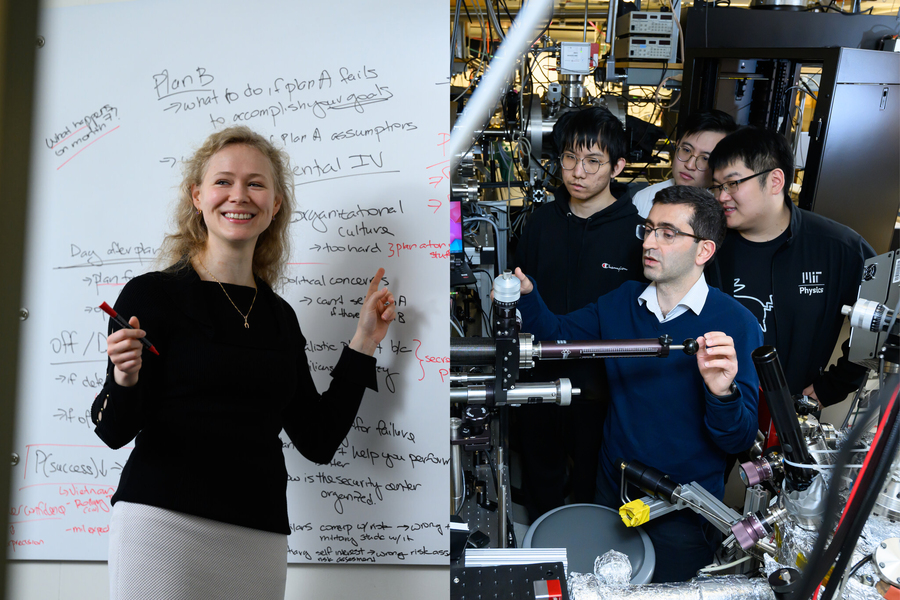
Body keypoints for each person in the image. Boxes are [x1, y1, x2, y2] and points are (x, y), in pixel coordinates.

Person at [91, 126, 396, 599]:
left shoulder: (279, 317)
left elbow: (317, 439)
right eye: (223, 182)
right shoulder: (150, 296)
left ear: (275, 205)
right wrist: (124, 378)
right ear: (197, 197)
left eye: (256, 183)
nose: (239, 195)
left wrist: (363, 343)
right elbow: (112, 432)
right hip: (161, 526)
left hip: (258, 537)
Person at [513, 185, 761, 582]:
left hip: (685, 511)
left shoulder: (736, 325)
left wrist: (722, 393)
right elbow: (556, 337)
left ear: (704, 251)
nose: (649, 241)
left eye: (667, 232)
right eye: (648, 229)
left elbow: (737, 440)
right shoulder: (622, 302)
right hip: (614, 491)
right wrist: (527, 296)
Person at [513, 106, 645, 522]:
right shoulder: (539, 223)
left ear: (618, 166)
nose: (578, 171)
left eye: (593, 161)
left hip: (602, 387)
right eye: (570, 157)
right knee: (540, 479)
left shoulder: (637, 233)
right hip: (538, 376)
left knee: (596, 487)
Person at [707, 127, 875, 409]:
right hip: (717, 408)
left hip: (790, 420)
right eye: (717, 186)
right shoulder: (707, 245)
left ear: (775, 181)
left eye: (733, 183)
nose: (722, 196)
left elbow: (884, 319)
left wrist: (835, 385)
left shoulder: (838, 247)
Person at [631, 110, 738, 219]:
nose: (690, 165)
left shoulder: (725, 211)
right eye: (686, 150)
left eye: (705, 158)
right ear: (677, 145)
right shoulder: (644, 199)